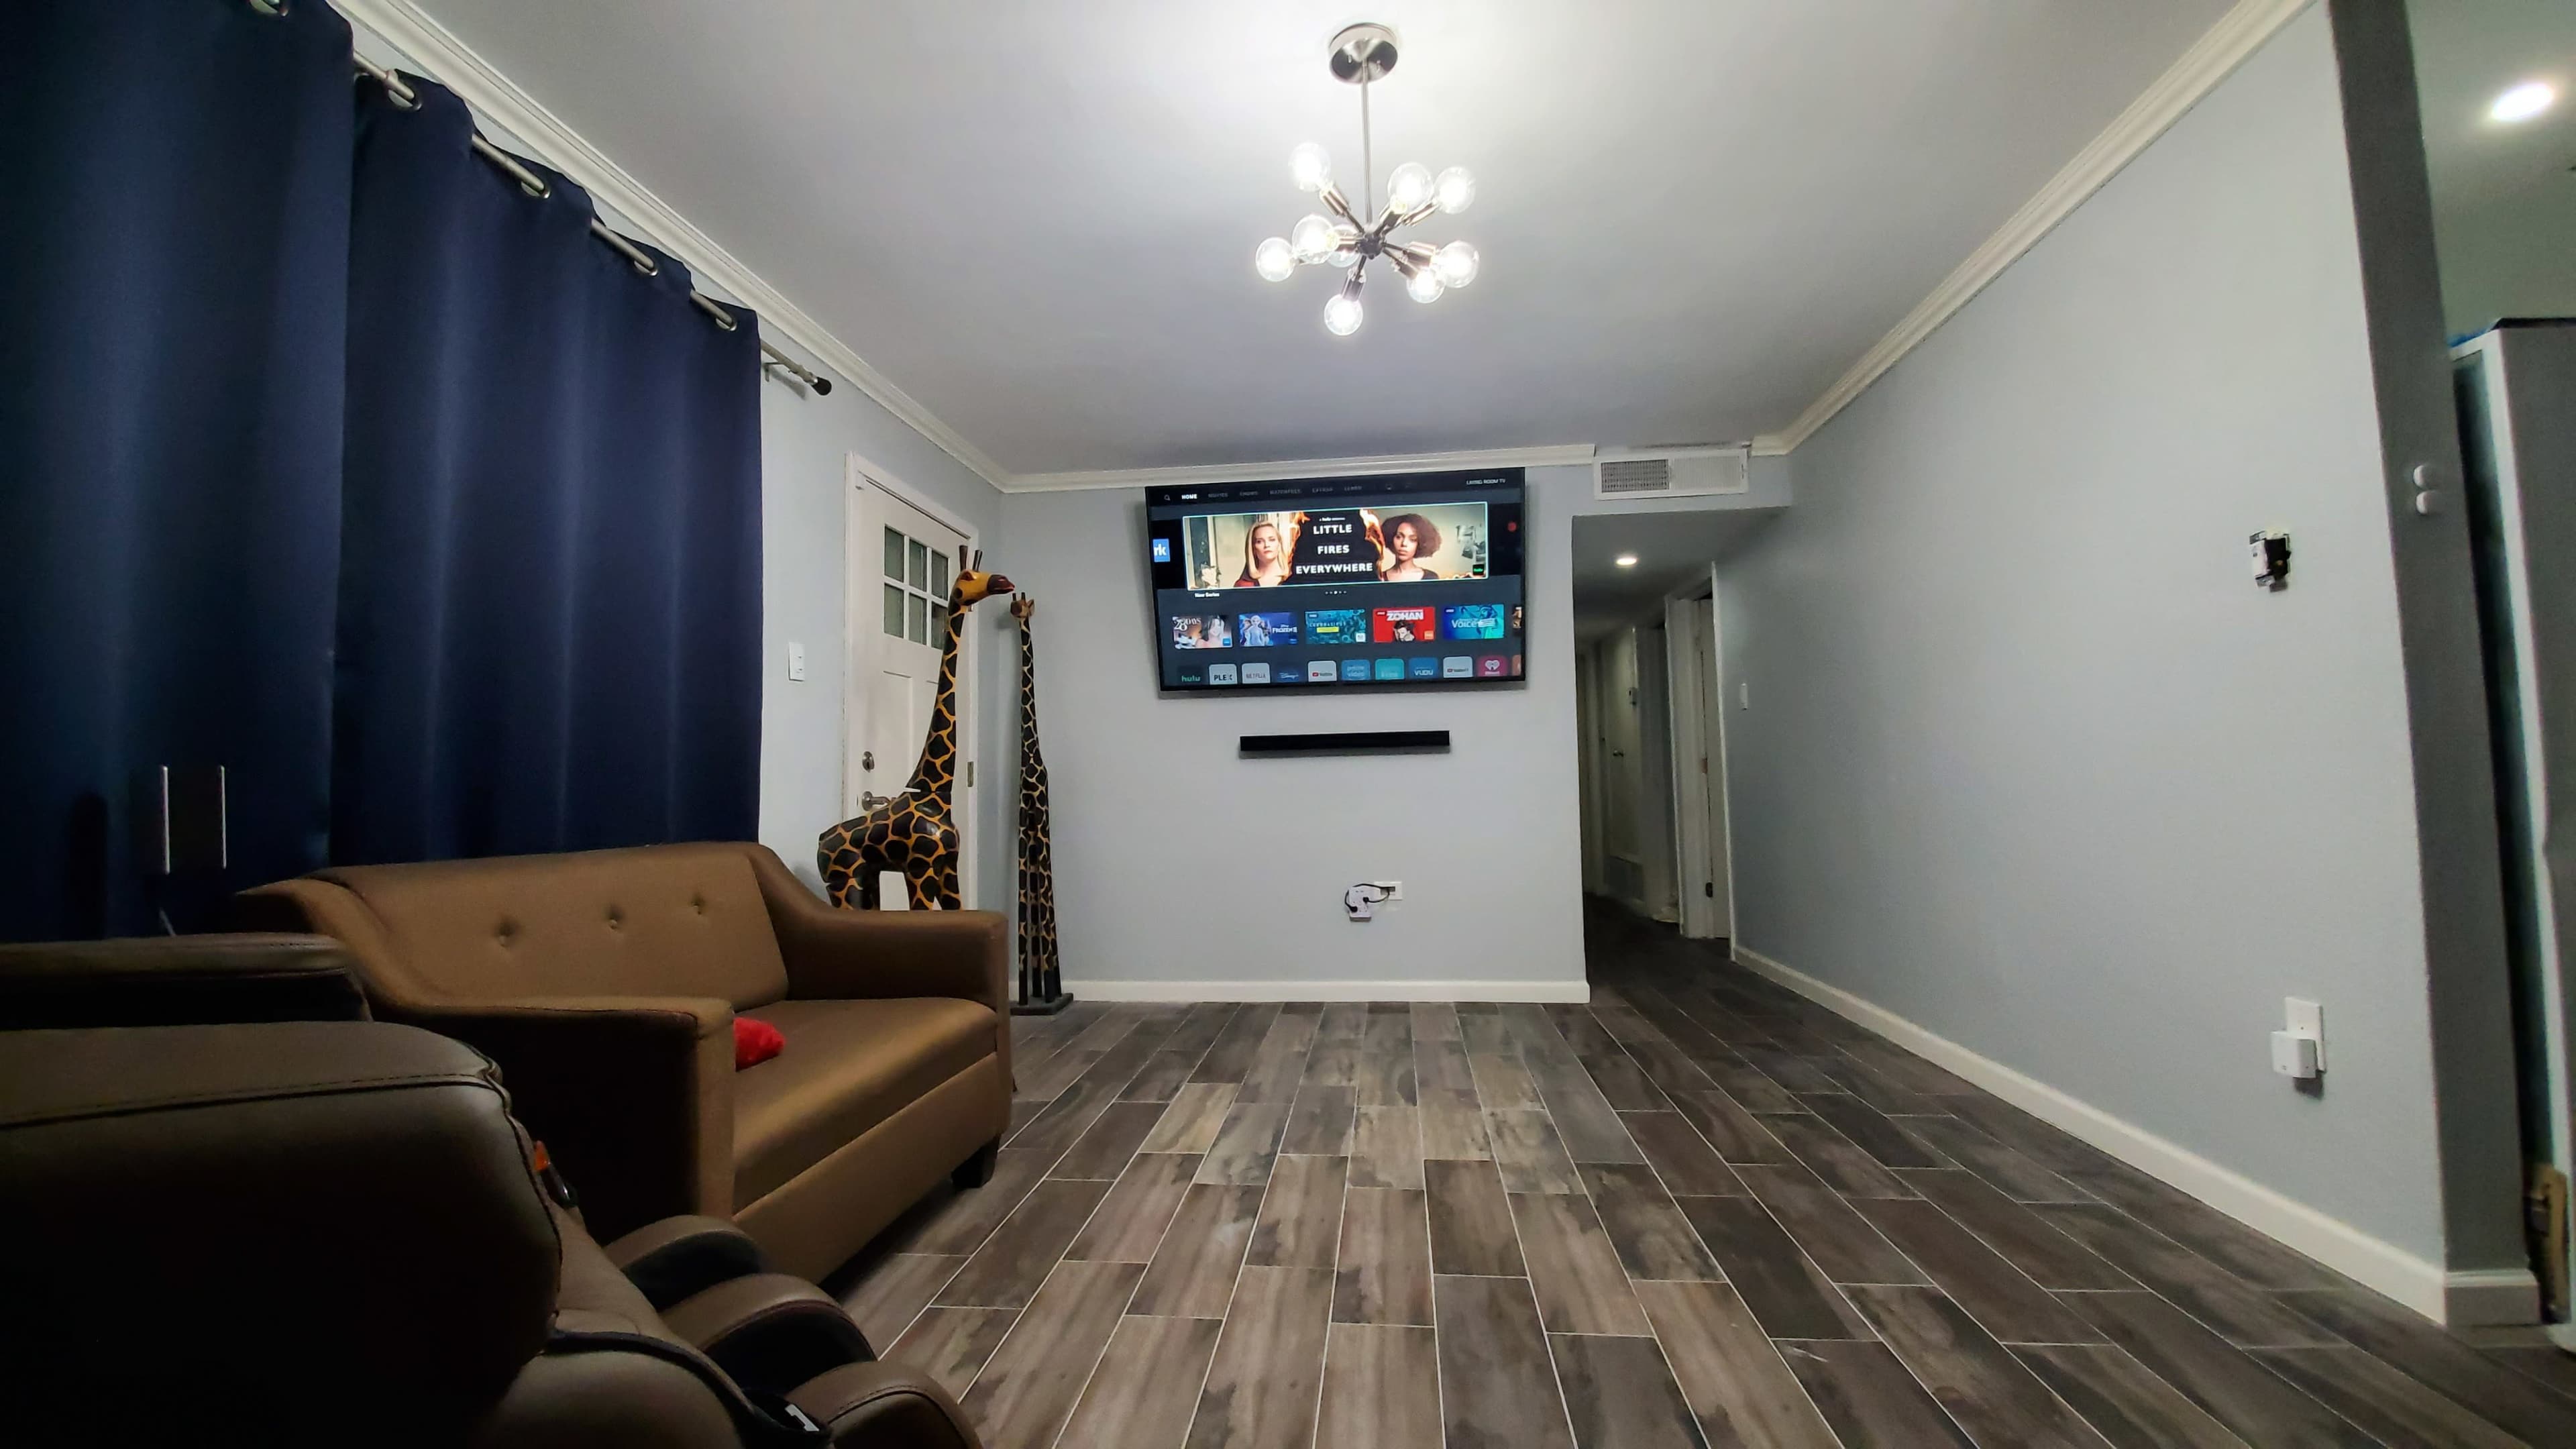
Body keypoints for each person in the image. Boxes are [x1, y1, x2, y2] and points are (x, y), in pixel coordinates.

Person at [1377, 514, 1443, 582]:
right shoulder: (1380, 578)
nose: (1404, 544)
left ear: (1420, 544)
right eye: (1399, 537)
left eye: (1413, 539)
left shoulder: (1430, 578)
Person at [1234, 519, 1291, 587]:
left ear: (1279, 545)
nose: (1267, 545)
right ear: (1253, 549)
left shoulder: (1295, 579)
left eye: (1272, 540)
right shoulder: (1243, 585)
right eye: (1259, 541)